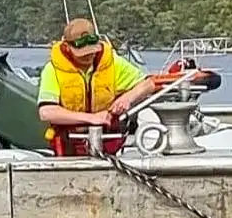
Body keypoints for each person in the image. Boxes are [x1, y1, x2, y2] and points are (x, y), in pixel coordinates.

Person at [35, 18, 168, 156]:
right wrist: (91, 118)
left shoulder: (111, 63)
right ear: (67, 47)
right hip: (68, 142)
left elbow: (148, 83)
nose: (88, 56)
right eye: (83, 54)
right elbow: (46, 112)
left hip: (107, 140)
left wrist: (127, 99)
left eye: (91, 51)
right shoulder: (52, 70)